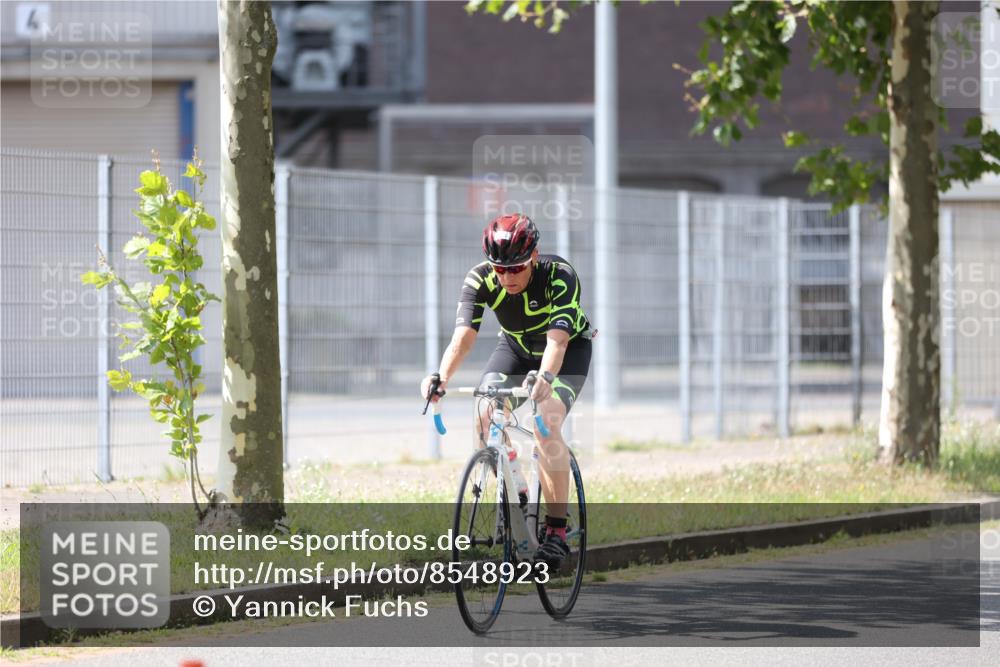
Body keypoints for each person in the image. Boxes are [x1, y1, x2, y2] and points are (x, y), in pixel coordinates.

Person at [420, 213, 594, 567]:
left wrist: (545, 379)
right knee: (486, 413)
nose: (506, 276)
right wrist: (440, 377)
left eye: (515, 268)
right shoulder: (480, 278)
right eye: (499, 269)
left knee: (547, 420)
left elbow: (557, 342)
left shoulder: (559, 275)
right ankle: (520, 494)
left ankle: (557, 530)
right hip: (515, 349)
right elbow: (463, 338)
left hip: (566, 350)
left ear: (533, 256)